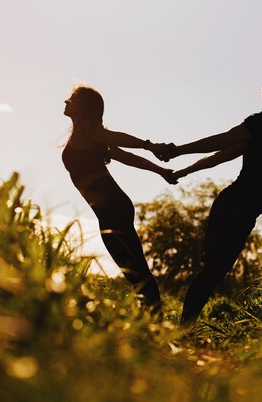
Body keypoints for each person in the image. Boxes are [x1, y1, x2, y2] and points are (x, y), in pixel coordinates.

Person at [152, 76, 262, 326]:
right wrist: (178, 150)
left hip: (239, 209)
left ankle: (183, 329)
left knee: (215, 271)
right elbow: (223, 140)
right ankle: (182, 331)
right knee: (213, 270)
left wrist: (183, 171)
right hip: (235, 207)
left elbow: (219, 157)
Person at [62, 84, 176, 315]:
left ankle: (156, 322)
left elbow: (120, 142)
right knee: (132, 269)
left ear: (85, 107)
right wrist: (161, 171)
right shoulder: (84, 134)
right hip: (108, 209)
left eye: (72, 98)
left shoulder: (92, 131)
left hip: (113, 206)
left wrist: (149, 145)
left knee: (135, 269)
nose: (66, 101)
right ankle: (153, 319)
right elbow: (127, 157)